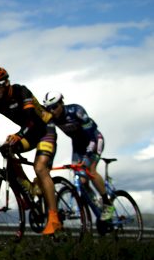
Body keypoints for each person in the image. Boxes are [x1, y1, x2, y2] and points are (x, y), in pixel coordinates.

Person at [0, 67, 62, 235]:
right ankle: (26, 189)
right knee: (5, 150)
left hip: (46, 130)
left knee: (40, 168)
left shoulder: (21, 92)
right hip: (29, 133)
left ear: (7, 82)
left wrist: (18, 135)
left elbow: (31, 119)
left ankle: (54, 219)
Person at [41, 91, 115, 226]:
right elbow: (52, 140)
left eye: (55, 106)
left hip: (94, 140)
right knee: (81, 179)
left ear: (62, 103)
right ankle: (96, 203)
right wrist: (48, 162)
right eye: (48, 108)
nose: (52, 110)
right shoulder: (52, 118)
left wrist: (87, 157)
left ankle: (107, 203)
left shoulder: (76, 111)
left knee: (90, 170)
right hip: (78, 145)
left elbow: (92, 137)